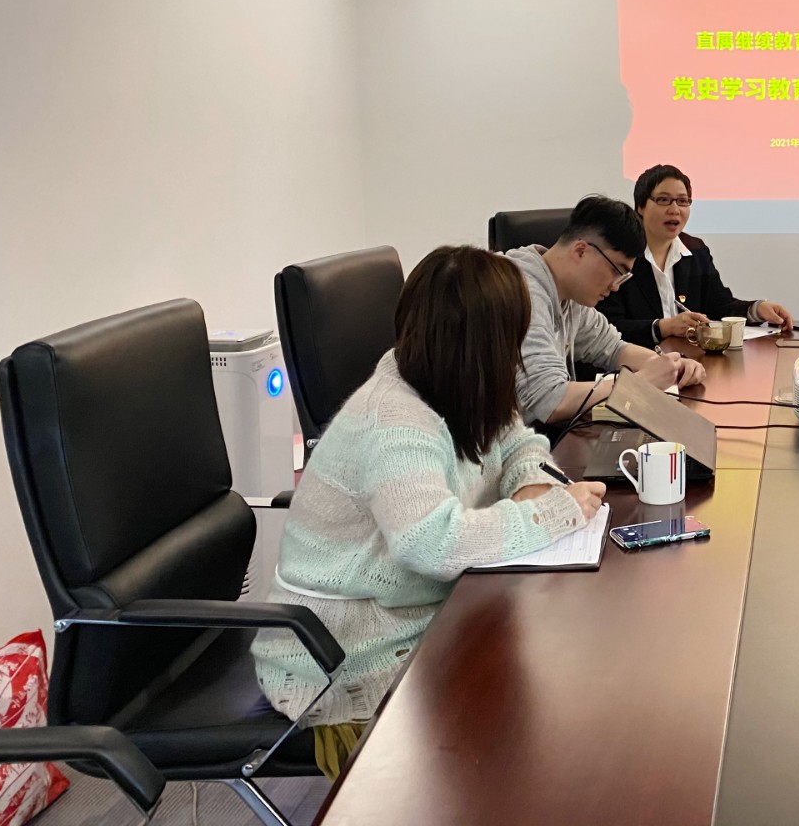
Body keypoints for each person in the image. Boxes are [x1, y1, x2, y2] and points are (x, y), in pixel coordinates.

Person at [252, 245, 607, 771]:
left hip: (427, 611)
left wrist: (532, 484)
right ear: (483, 347)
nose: (518, 355)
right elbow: (433, 543)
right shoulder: (395, 421)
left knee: (555, 681)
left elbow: (517, 441)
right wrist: (550, 514)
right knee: (531, 733)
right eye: (512, 339)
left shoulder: (455, 381)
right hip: (347, 650)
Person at [505, 194, 706, 436]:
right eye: (617, 270)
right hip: (494, 448)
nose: (615, 286)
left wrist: (671, 365)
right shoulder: (521, 293)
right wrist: (639, 383)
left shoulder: (569, 296)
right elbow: (551, 400)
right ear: (581, 251)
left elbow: (613, 348)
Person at [599, 164, 794, 345]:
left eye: (682, 201)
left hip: (690, 360)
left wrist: (756, 309)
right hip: (634, 363)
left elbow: (719, 306)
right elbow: (605, 326)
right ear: (640, 206)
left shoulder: (695, 251)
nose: (675, 210)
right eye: (663, 200)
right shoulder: (619, 254)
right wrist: (664, 327)